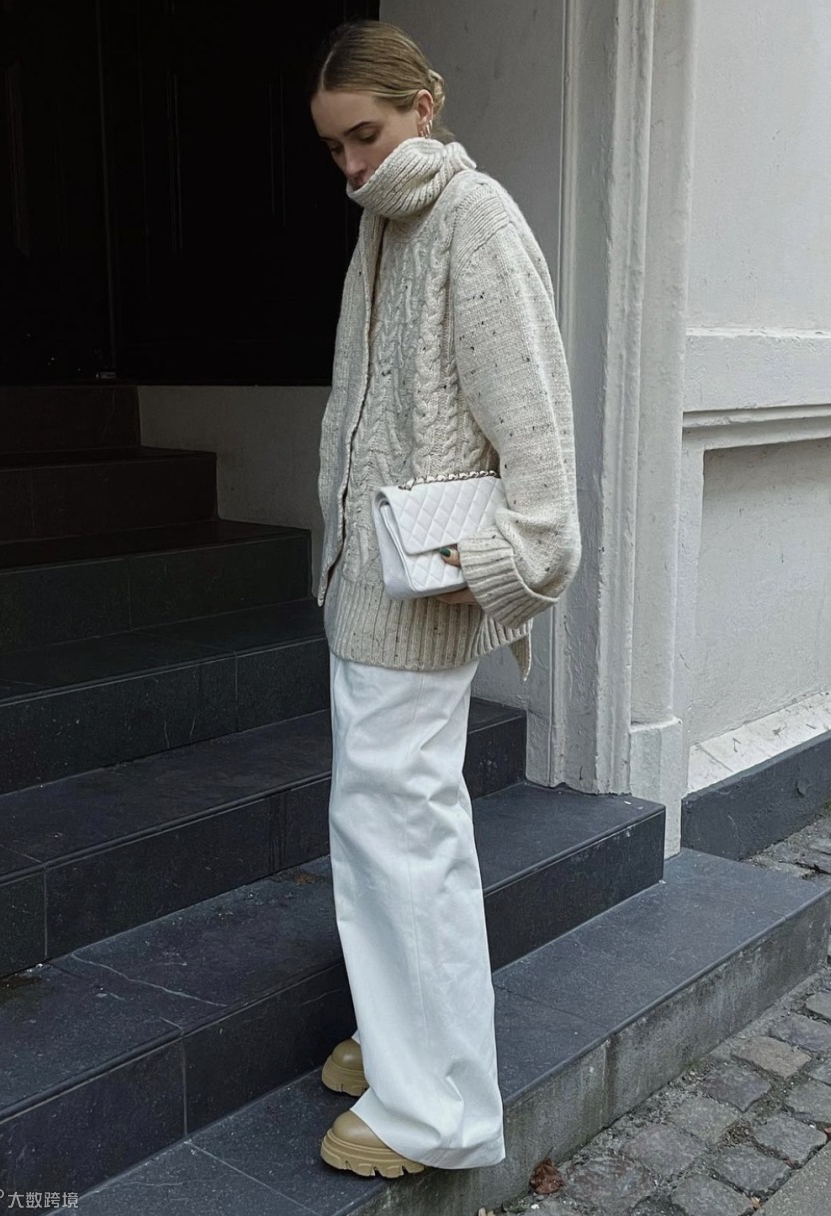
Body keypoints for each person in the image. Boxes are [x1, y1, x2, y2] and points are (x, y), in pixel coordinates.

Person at [307, 18, 582, 1179]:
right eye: (333, 147)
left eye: (365, 135)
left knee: (405, 838)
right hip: (365, 590)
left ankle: (435, 1112)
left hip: (425, 593)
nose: (351, 164)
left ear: (423, 103)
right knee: (381, 830)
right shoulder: (385, 227)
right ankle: (402, 1042)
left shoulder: (476, 219)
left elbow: (538, 450)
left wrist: (511, 564)